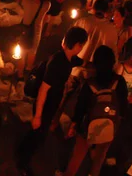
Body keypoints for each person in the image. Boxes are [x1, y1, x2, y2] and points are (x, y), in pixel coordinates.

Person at [16, 27, 87, 176]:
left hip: (51, 104)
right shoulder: (58, 64)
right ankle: (22, 163)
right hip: (45, 104)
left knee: (37, 133)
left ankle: (22, 151)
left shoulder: (68, 58)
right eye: (82, 45)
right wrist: (38, 116)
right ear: (78, 45)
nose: (82, 48)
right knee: (37, 135)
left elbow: (80, 62)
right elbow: (43, 89)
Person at [63, 45, 129, 176]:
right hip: (109, 126)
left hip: (87, 127)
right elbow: (123, 105)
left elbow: (80, 108)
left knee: (77, 156)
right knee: (100, 157)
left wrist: (74, 124)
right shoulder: (119, 82)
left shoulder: (90, 84)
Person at [73, 0, 119, 64]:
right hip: (97, 67)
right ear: (106, 12)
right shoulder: (111, 29)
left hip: (77, 65)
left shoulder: (82, 22)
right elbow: (113, 51)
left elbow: (69, 41)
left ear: (93, 9)